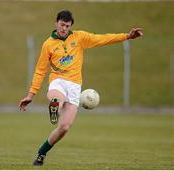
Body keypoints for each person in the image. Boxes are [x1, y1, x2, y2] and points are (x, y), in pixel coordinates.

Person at [19, 10, 143, 166]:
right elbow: (40, 70)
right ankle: (55, 105)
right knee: (57, 97)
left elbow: (102, 39)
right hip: (58, 81)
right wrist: (31, 95)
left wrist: (127, 36)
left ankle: (41, 153)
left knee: (64, 127)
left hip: (75, 86)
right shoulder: (48, 45)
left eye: (67, 25)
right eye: (61, 24)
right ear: (56, 23)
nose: (63, 28)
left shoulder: (79, 38)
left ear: (71, 26)